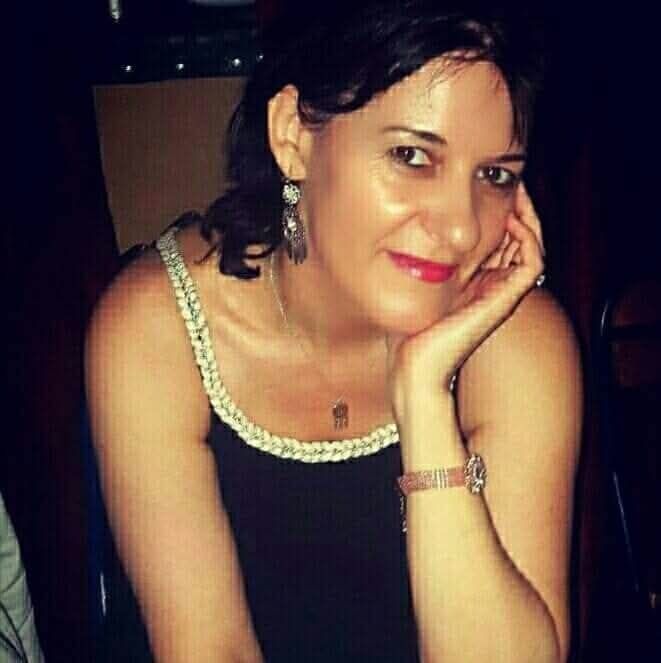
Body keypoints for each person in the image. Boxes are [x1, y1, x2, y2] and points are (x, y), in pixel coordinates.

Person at [85, 1, 583, 661]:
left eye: (494, 176)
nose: (462, 227)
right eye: (412, 155)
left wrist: (424, 396)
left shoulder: (517, 339)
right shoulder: (156, 328)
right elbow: (211, 648)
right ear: (293, 136)